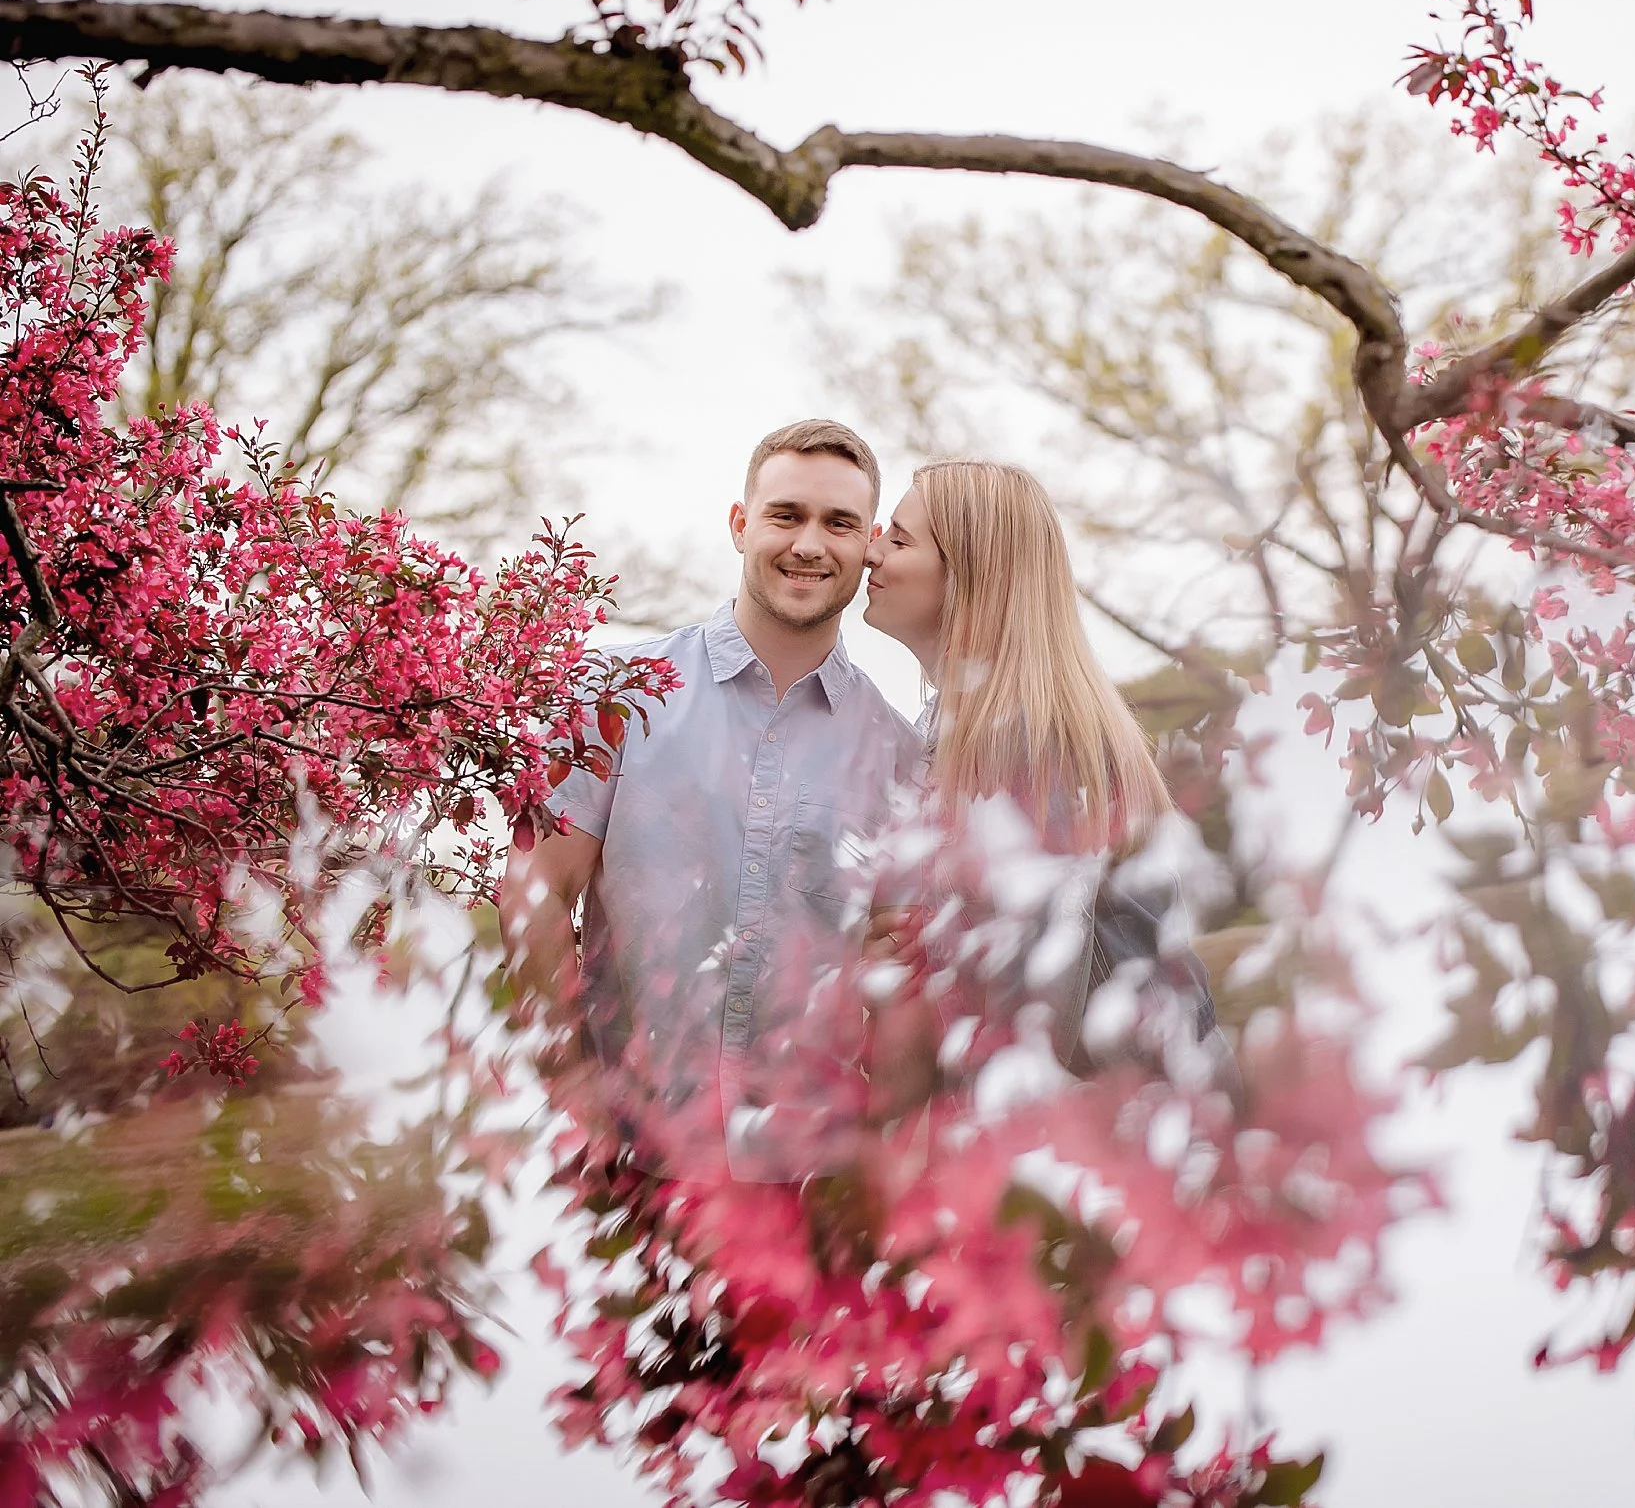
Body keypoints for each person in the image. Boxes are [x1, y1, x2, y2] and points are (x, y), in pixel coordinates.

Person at [497, 418, 924, 1180]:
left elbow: (891, 954)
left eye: (840, 523)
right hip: (631, 1151)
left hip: (810, 1171)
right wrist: (566, 1079)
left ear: (870, 541)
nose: (809, 544)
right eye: (786, 515)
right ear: (739, 524)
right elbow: (534, 890)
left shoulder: (896, 750)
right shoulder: (612, 692)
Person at [861, 460, 1232, 1084]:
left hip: (1118, 1128)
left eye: (898, 539)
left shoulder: (1027, 743)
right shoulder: (960, 730)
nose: (871, 552)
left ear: (970, 578)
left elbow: (1037, 1003)